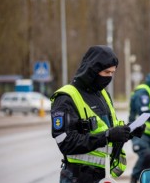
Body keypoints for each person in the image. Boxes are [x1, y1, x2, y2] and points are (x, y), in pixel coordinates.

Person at [50, 45, 145, 183]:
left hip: (103, 175)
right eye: (106, 72)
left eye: (113, 73)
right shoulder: (66, 97)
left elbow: (107, 129)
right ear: (92, 70)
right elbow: (66, 142)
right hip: (77, 177)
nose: (110, 77)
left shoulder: (103, 95)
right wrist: (107, 136)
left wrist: (129, 130)